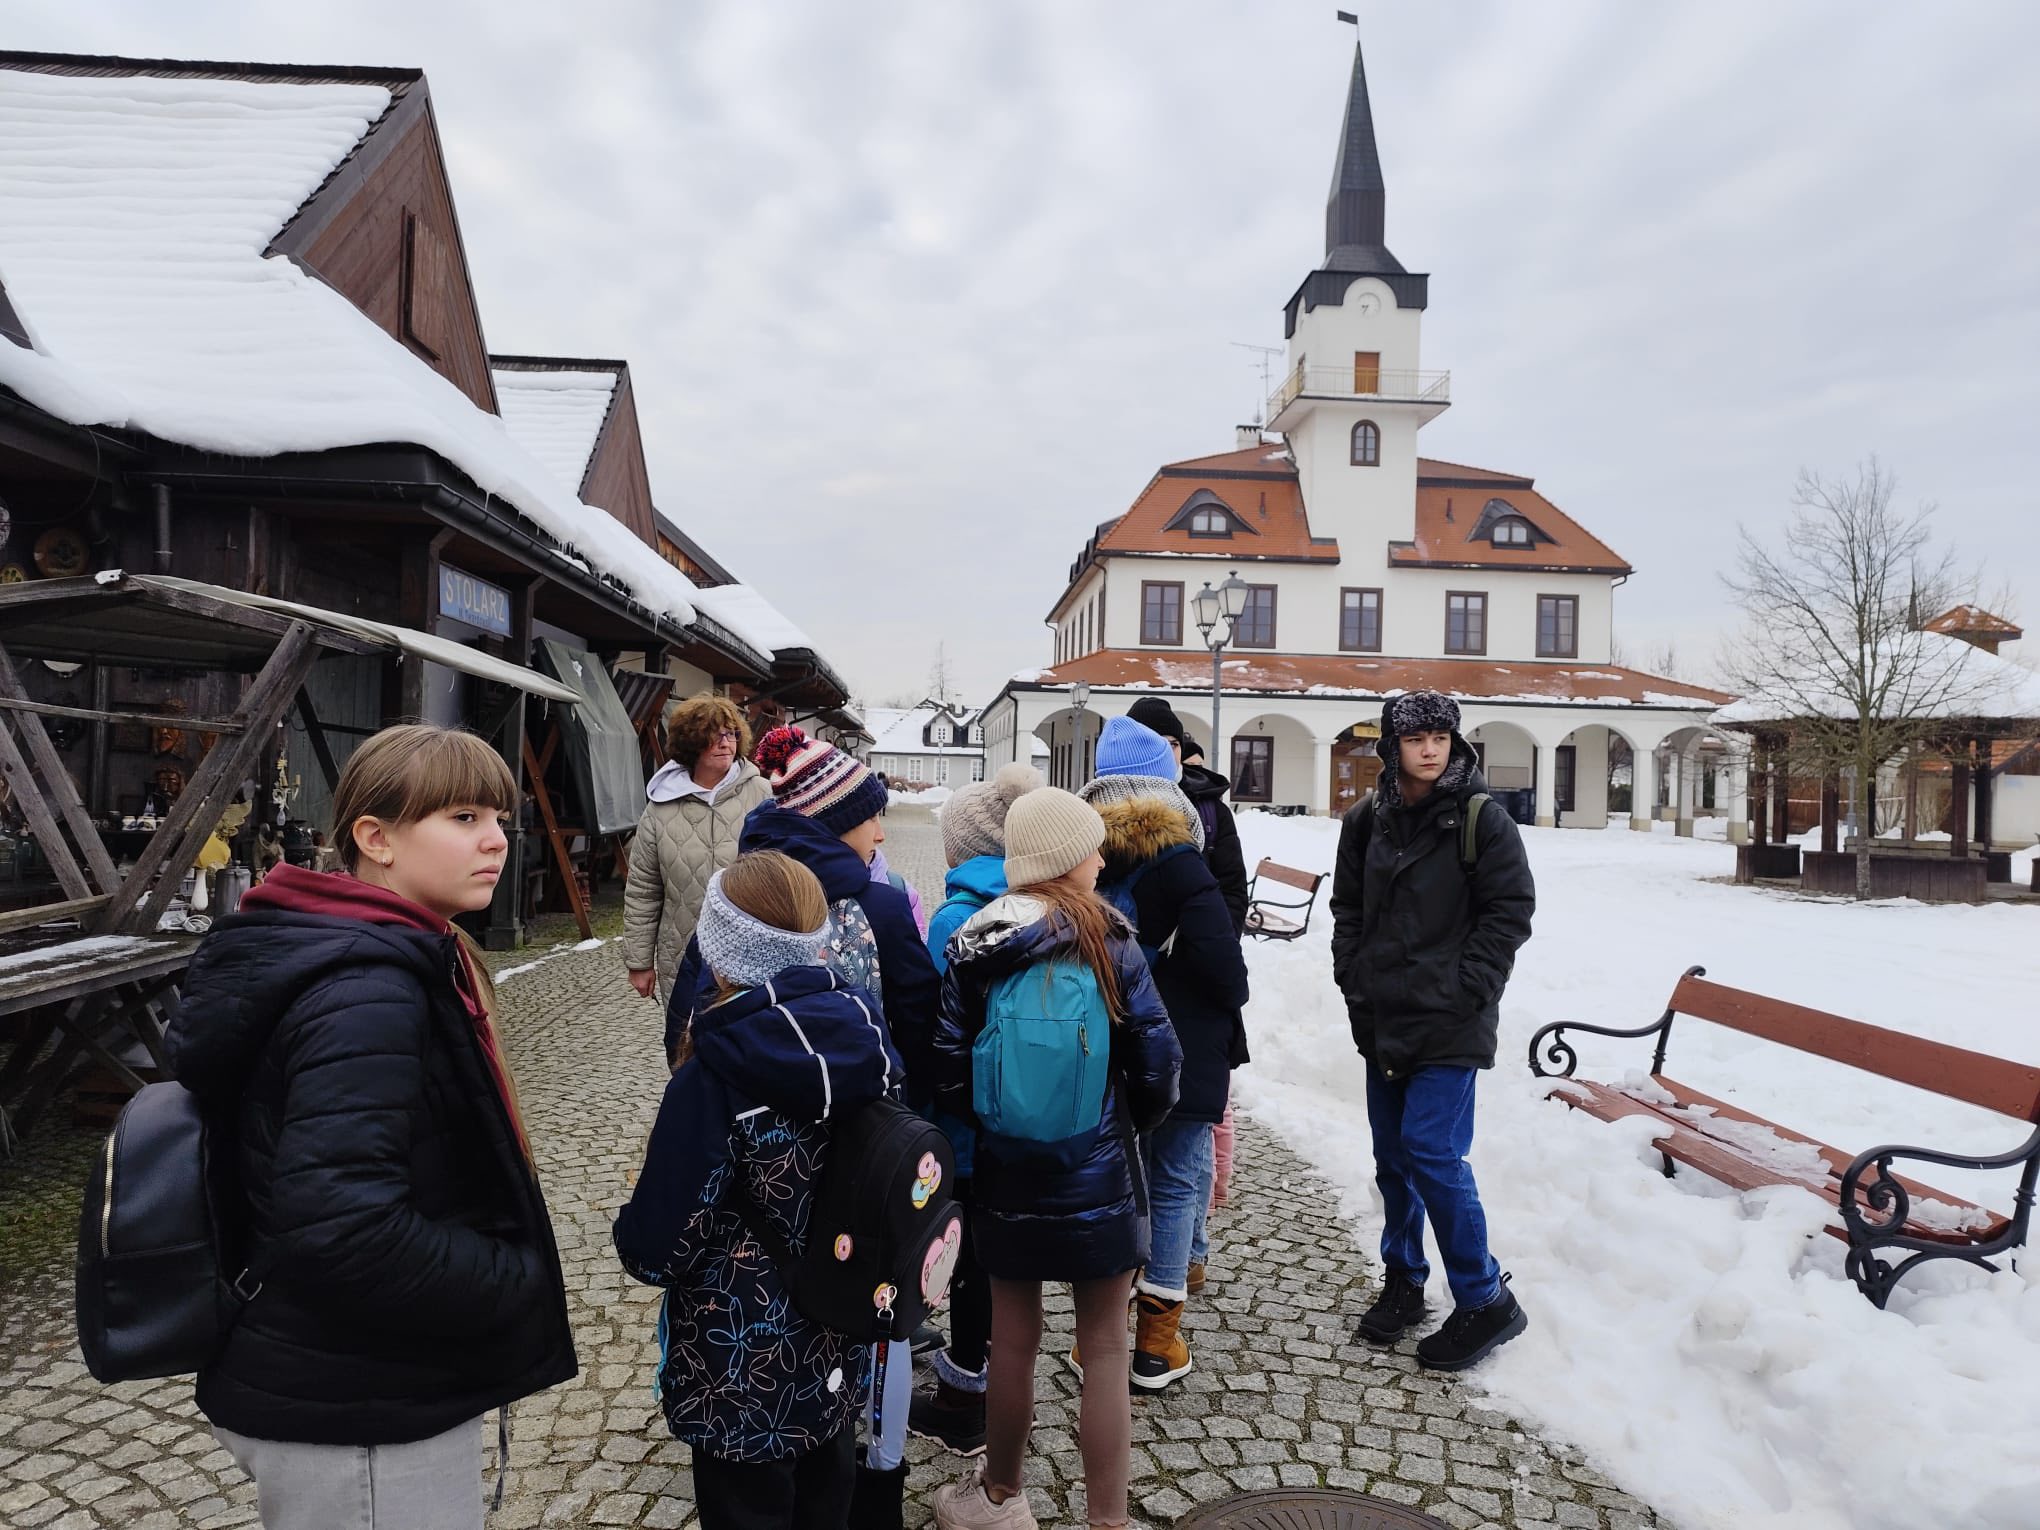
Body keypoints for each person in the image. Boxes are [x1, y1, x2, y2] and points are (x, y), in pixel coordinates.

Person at [164, 724, 577, 1530]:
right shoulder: (366, 990)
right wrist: (512, 1280)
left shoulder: (396, 952)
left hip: (365, 1370)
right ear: (374, 838)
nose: (495, 840)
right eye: (462, 818)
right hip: (362, 1403)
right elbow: (343, 1228)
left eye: (499, 818)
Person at [669, 724, 940, 1527]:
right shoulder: (883, 909)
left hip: (736, 1226)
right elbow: (921, 1039)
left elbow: (686, 1033)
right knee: (850, 1337)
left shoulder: (733, 896)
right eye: (869, 817)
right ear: (831, 821)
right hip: (860, 1186)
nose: (882, 832)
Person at [615, 851, 899, 1530]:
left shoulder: (711, 1073)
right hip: (837, 1329)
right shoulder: (865, 1039)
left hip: (736, 1363)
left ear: (718, 954)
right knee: (825, 1500)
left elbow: (659, 1249)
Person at [930, 788, 1182, 1530]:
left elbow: (946, 1065)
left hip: (1008, 1173)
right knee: (1104, 1349)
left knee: (1012, 1337)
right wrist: (1120, 1127)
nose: (1103, 858)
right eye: (1091, 846)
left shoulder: (974, 944)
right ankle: (1107, 1520)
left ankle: (1001, 1499)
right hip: (1100, 1172)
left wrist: (999, 1120)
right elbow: (1160, 1065)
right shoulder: (1115, 940)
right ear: (1066, 859)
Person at [1330, 691, 1536, 1371]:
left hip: (1451, 1022)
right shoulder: (1367, 820)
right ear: (1392, 745)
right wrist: (1353, 977)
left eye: (1441, 736)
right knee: (1393, 1157)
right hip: (1383, 1014)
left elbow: (1509, 911)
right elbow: (1348, 907)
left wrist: (1464, 988)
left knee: (1432, 1153)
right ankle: (1405, 1279)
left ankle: (1484, 1298)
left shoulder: (1481, 819)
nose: (1430, 747)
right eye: (1416, 737)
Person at [1077, 716, 1249, 1392]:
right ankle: (1156, 1342)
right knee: (1178, 1179)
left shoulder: (1086, 858)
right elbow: (1227, 973)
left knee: (1122, 1181)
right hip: (1181, 1047)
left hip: (1109, 1045)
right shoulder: (1181, 862)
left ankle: (1099, 1341)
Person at [908, 761, 1042, 1457]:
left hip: (963, 1127)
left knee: (968, 1261)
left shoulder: (959, 916)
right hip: (1024, 1123)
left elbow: (936, 1030)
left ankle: (966, 1398)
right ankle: (1008, 1386)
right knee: (1004, 1259)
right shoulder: (1038, 903)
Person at [624, 695, 773, 1013]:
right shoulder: (660, 806)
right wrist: (639, 962)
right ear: (691, 742)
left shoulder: (762, 794)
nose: (725, 743)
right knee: (684, 1049)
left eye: (731, 734)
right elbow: (644, 890)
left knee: (748, 1049)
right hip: (680, 956)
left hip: (753, 955)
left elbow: (787, 874)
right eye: (714, 734)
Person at [1124, 697, 1248, 934]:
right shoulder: (1108, 804)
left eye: (1174, 744)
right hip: (1124, 958)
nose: (1168, 752)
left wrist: (1220, 941)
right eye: (1156, 742)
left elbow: (1233, 888)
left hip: (1194, 956)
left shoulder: (1211, 810)